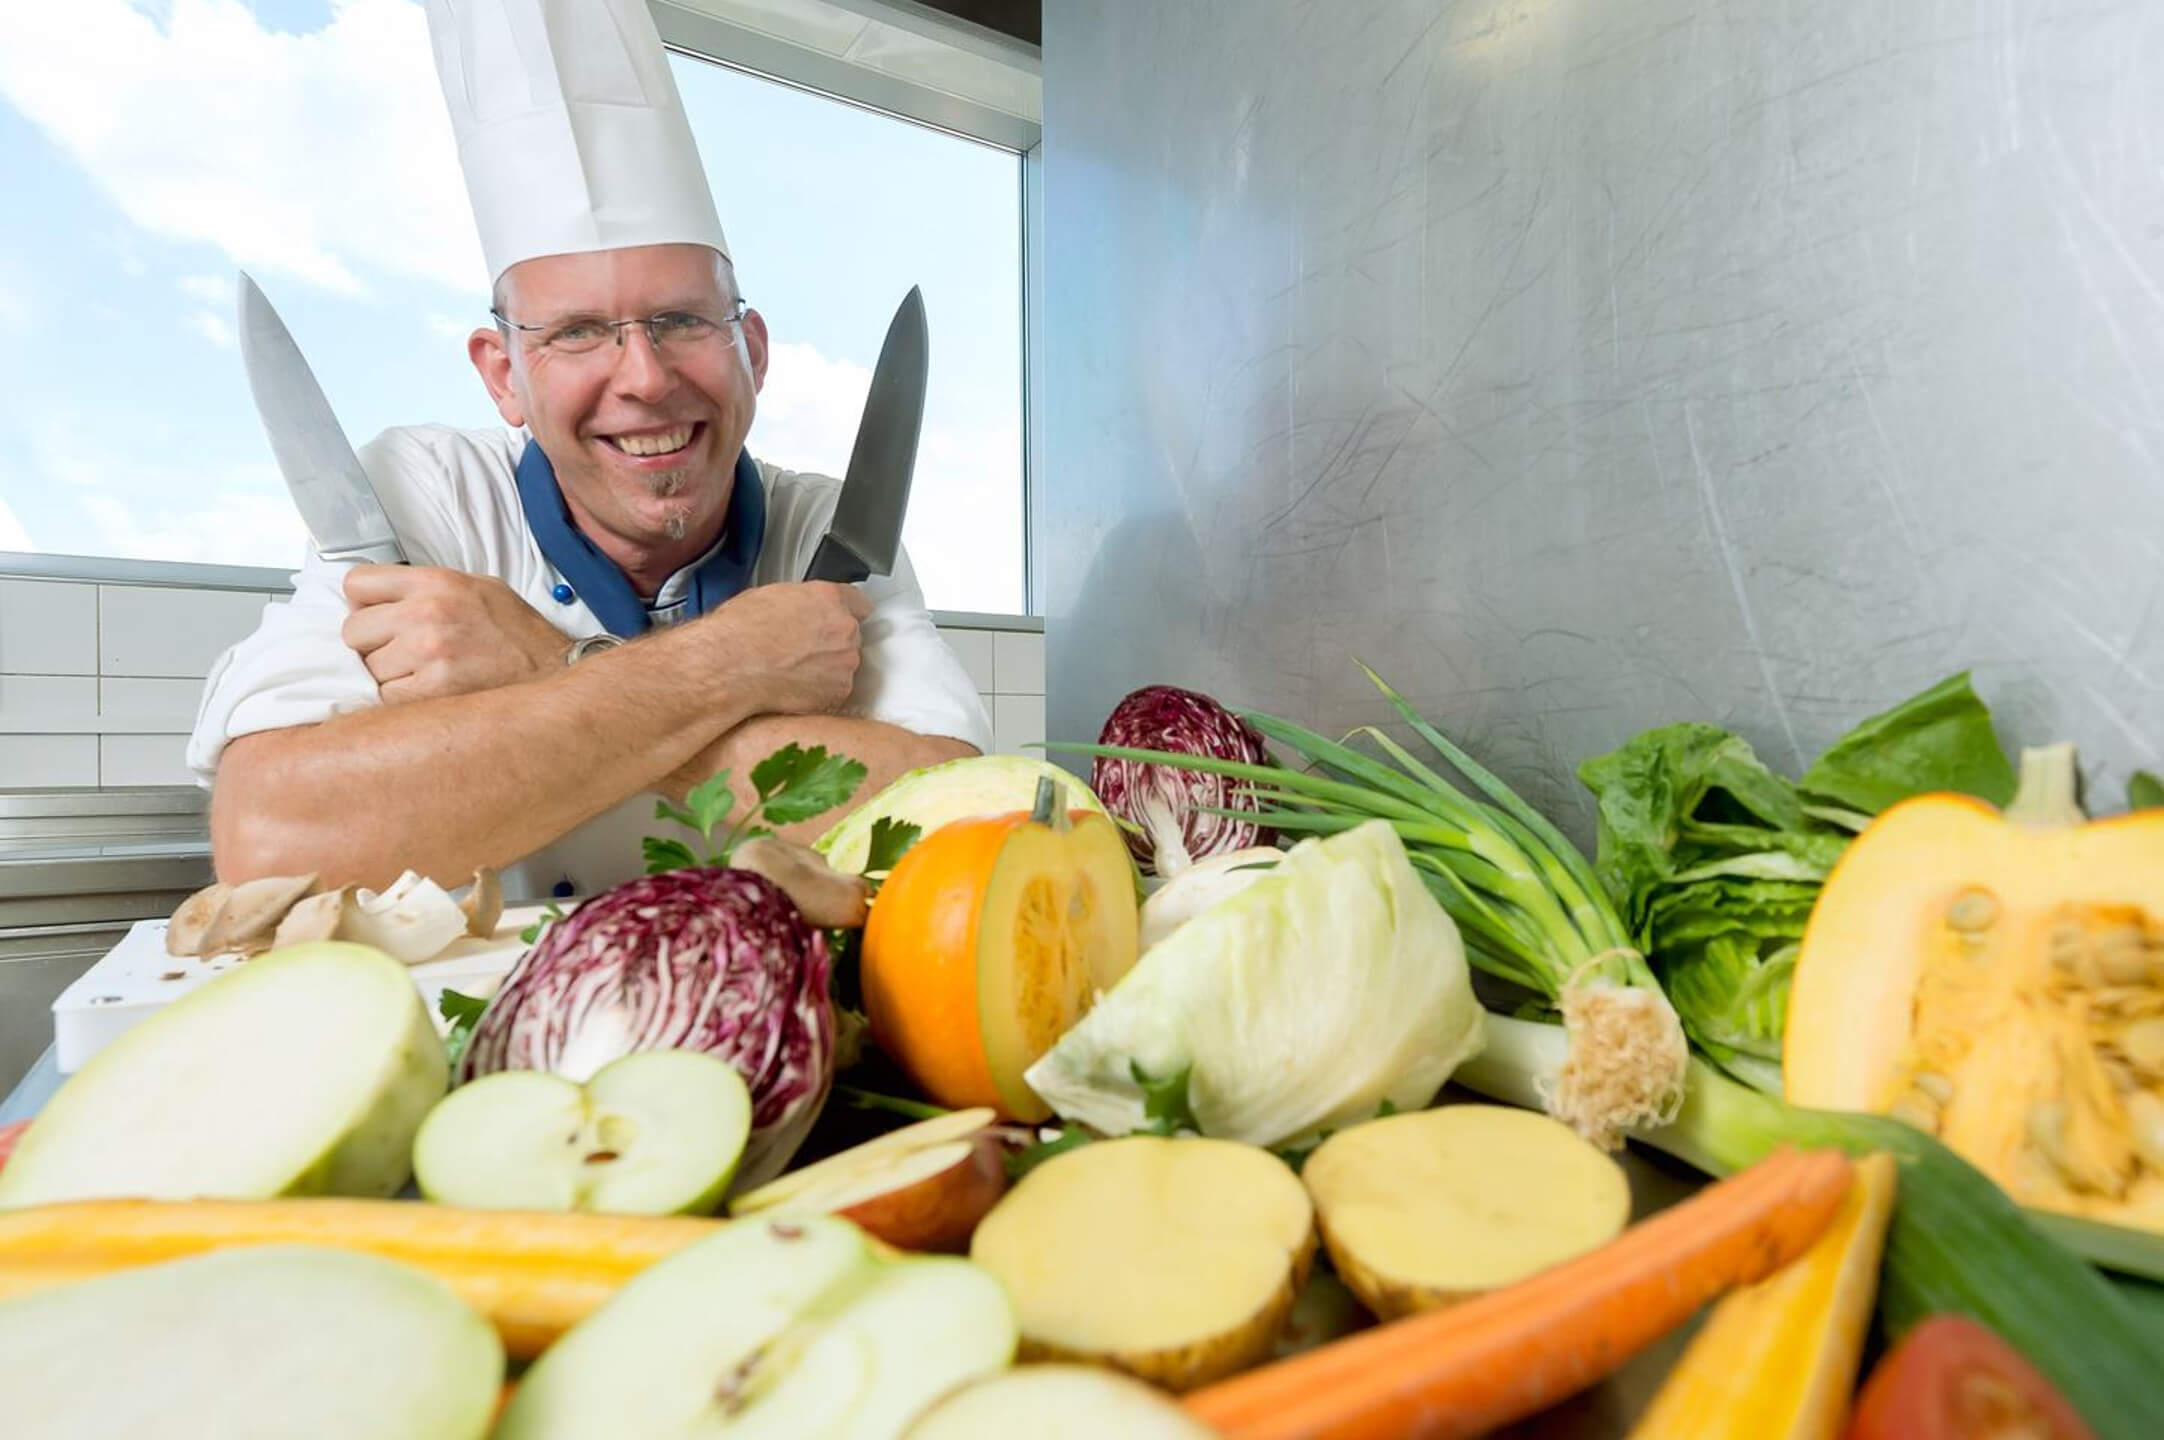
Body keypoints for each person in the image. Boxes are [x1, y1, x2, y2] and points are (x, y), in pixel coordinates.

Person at [185, 0, 990, 903]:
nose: (643, 377)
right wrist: (724, 668)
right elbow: (270, 836)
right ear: (504, 376)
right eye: (575, 333)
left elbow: (961, 827)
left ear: (753, 352)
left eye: (682, 319)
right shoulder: (422, 501)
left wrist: (542, 663)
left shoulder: (826, 534)